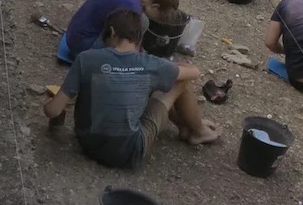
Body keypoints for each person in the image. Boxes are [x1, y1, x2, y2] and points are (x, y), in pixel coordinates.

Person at [44, 9, 220, 168]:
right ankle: (198, 131)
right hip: (128, 153)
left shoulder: (86, 59)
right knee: (180, 82)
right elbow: (195, 72)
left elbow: (53, 111)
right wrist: (168, 66)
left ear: (111, 33)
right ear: (139, 39)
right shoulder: (150, 64)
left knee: (155, 81)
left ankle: (187, 126)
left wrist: (49, 103)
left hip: (88, 144)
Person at [63, 0, 180, 59]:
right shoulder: (131, 6)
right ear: (155, 6)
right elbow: (124, 44)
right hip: (81, 48)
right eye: (160, 15)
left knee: (142, 21)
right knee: (133, 34)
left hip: (76, 32)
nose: (157, 18)